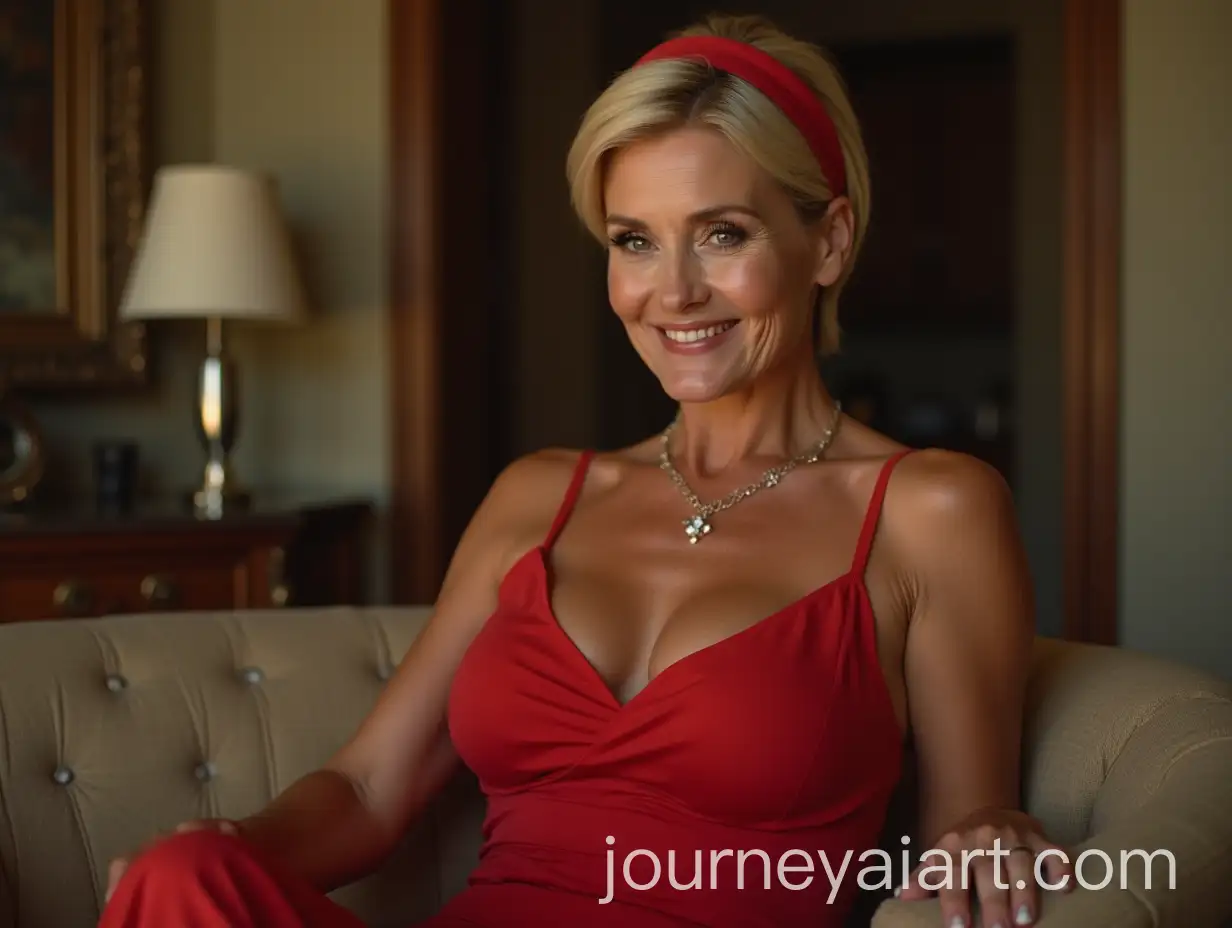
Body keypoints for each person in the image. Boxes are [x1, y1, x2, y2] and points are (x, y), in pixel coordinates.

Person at [98, 13, 1074, 928]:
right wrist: (228, 845)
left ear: (827, 241)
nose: (673, 291)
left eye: (721, 234)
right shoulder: (540, 494)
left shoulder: (929, 509)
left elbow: (966, 823)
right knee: (177, 878)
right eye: (632, 242)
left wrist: (989, 829)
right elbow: (365, 789)